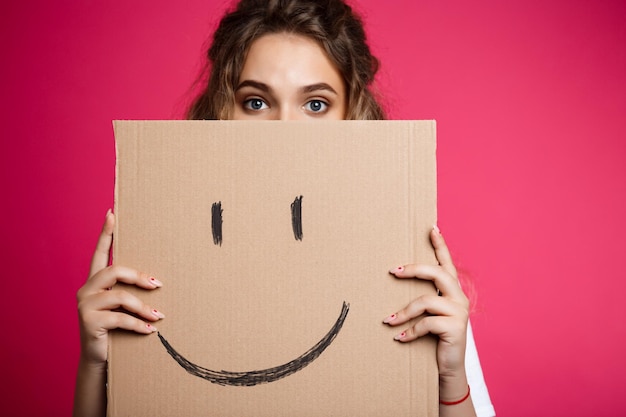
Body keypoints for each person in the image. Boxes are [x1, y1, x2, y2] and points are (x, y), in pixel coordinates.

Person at [74, 1, 495, 416]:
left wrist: (450, 378)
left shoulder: (410, 271)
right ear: (223, 111)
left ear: (352, 114)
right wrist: (96, 364)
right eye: (257, 102)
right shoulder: (163, 247)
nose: (284, 130)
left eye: (315, 104)